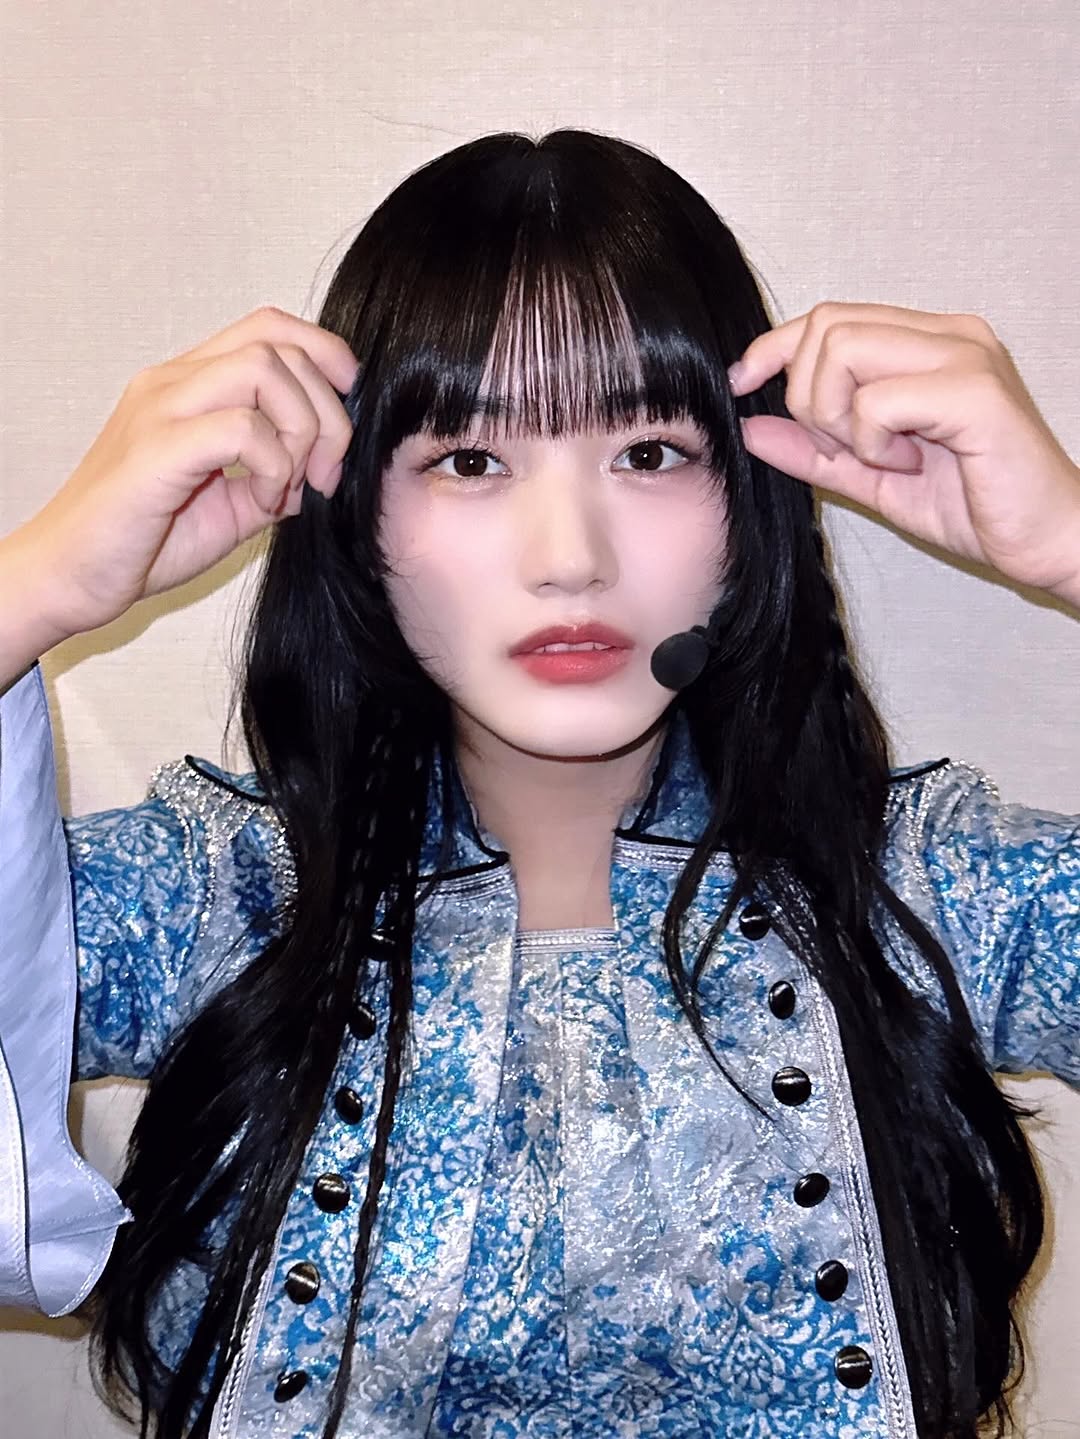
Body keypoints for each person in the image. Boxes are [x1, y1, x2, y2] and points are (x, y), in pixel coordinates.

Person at [0, 128, 1077, 1439]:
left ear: (751, 497)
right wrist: (31, 587)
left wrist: (1074, 545)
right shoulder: (217, 892)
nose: (570, 557)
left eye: (649, 453)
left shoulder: (915, 885)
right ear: (354, 509)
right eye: (470, 460)